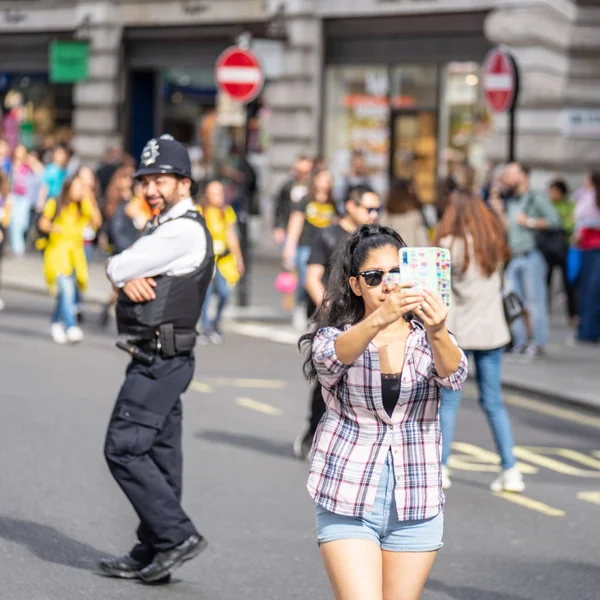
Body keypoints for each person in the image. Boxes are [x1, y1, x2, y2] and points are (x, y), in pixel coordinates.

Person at [299, 224, 468, 600]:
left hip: (416, 499)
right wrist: (380, 317)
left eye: (397, 273)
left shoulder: (428, 337)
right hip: (348, 495)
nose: (388, 284)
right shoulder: (336, 335)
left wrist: (438, 327)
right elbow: (330, 360)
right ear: (356, 285)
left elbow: (454, 375)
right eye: (375, 277)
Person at [100, 135, 214, 584]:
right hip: (162, 356)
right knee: (161, 455)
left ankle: (175, 536)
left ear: (184, 183)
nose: (150, 188)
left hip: (160, 360)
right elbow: (128, 270)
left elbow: (117, 265)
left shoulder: (180, 229)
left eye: (160, 180)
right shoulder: (165, 225)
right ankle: (154, 547)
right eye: (145, 180)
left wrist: (124, 274)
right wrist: (128, 278)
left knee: (123, 447)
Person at [434, 181, 524, 493]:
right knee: (494, 402)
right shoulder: (494, 240)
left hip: (459, 331)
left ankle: (441, 467)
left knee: (447, 402)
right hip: (492, 331)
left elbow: (439, 290)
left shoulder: (448, 244)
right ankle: (510, 469)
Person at [293, 185, 381, 459]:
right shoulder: (328, 235)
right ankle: (313, 430)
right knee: (327, 382)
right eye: (369, 208)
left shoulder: (374, 240)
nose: (375, 214)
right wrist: (330, 310)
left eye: (378, 209)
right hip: (335, 321)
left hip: (367, 321)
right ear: (351, 207)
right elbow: (312, 278)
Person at [497, 163, 560, 357]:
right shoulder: (510, 200)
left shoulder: (536, 198)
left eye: (510, 173)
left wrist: (530, 222)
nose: (505, 177)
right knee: (512, 299)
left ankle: (538, 343)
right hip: (514, 257)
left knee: (534, 302)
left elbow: (555, 220)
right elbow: (508, 228)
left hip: (532, 256)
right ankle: (520, 342)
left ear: (523, 176)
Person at [38, 175, 102, 344]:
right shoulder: (56, 203)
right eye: (77, 187)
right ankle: (71, 326)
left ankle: (55, 322)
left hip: (76, 253)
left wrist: (89, 197)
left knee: (68, 290)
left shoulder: (83, 206)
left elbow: (97, 221)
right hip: (58, 252)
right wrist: (54, 227)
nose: (79, 191)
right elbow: (43, 223)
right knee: (66, 289)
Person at [283, 167, 337, 329]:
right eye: (323, 178)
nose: (326, 182)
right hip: (306, 245)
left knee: (322, 281)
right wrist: (289, 247)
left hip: (326, 248)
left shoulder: (331, 201)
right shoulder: (306, 200)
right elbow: (296, 222)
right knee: (304, 281)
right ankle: (300, 307)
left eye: (329, 179)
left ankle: (316, 313)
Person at [198, 179, 245, 344]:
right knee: (207, 293)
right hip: (206, 260)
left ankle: (216, 323)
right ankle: (205, 327)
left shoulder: (226, 212)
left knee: (224, 293)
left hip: (223, 260)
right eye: (214, 193)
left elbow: (232, 236)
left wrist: (238, 258)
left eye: (220, 193)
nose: (218, 197)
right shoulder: (200, 211)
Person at [574, 172, 600, 343]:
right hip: (586, 248)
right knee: (587, 290)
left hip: (594, 247)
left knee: (592, 290)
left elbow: (583, 218)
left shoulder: (592, 197)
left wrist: (585, 226)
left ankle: (589, 331)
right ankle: (586, 329)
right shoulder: (585, 196)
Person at [546, 179, 577, 326]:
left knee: (569, 284)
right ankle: (545, 314)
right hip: (548, 249)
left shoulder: (569, 205)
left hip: (564, 249)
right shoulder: (547, 205)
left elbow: (572, 223)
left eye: (553, 191)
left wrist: (554, 222)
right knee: (546, 283)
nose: (551, 194)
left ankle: (573, 314)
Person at [272, 155, 313, 246]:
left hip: (309, 234)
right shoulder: (287, 186)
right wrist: (278, 227)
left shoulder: (314, 189)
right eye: (299, 171)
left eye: (306, 172)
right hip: (289, 230)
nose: (302, 175)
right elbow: (279, 207)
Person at [381, 179, 429, 247]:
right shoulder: (415, 215)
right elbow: (422, 240)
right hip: (410, 253)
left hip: (392, 253)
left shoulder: (384, 216)